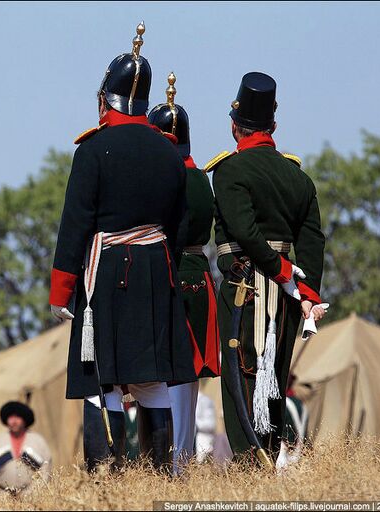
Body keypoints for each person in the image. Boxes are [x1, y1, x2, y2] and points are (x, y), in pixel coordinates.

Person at [49, 22, 195, 473]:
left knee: (102, 378)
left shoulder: (92, 151)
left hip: (107, 271)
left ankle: (106, 477)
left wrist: (61, 291)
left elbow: (76, 224)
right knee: (152, 381)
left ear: (103, 98)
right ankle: (158, 475)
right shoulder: (170, 152)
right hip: (156, 268)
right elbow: (179, 222)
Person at [207, 72, 326, 462]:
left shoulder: (229, 171)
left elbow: (244, 230)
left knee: (242, 380)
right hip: (287, 297)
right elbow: (312, 243)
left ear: (234, 125)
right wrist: (305, 292)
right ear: (273, 125)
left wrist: (280, 270)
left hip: (246, 288)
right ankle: (272, 457)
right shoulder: (299, 178)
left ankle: (249, 468)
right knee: (273, 376)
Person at [148, 72, 220, 475]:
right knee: (189, 381)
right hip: (200, 272)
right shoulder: (202, 178)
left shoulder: (164, 178)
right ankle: (184, 460)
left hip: (169, 270)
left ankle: (171, 464)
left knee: (165, 373)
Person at [0, 401, 51, 493]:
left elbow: (46, 468)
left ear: (25, 419)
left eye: (17, 417)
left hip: (31, 493)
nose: (14, 421)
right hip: (2, 494)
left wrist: (36, 490)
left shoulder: (38, 441)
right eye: (10, 417)